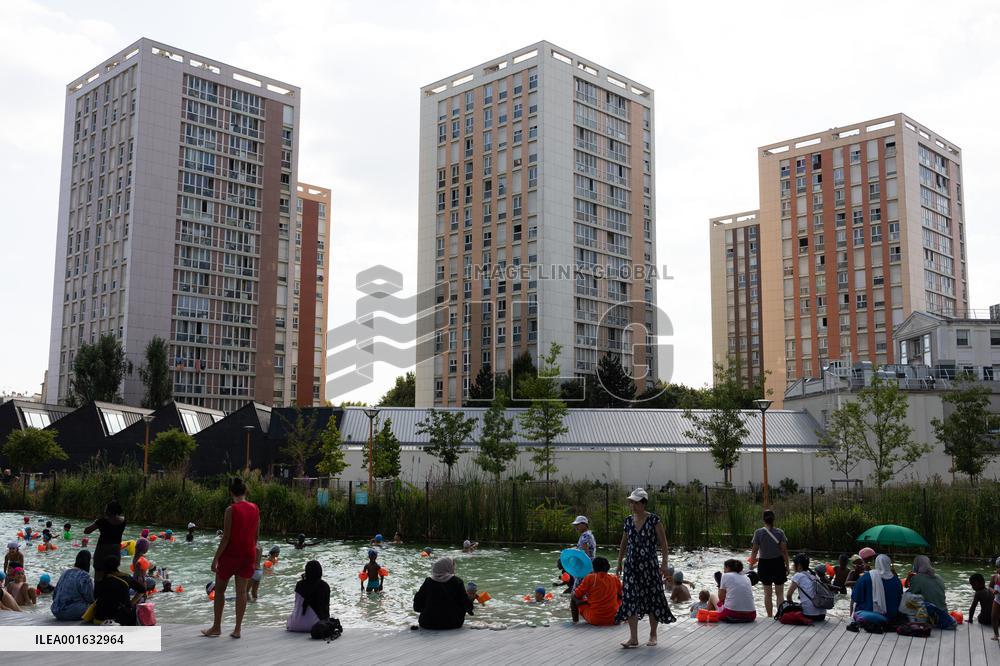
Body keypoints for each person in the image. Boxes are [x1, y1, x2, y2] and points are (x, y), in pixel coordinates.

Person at [615, 488, 675, 648]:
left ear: (643, 503)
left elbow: (664, 544)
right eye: (631, 502)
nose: (632, 505)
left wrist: (664, 563)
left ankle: (653, 634)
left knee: (652, 597)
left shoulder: (654, 520)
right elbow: (623, 543)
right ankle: (633, 637)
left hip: (649, 565)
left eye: (635, 502)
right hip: (631, 566)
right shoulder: (628, 521)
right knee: (630, 598)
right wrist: (620, 561)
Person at [202, 477, 260, 639]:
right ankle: (237, 629)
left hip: (230, 555)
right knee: (241, 592)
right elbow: (256, 536)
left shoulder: (231, 510)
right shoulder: (255, 508)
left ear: (231, 493)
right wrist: (253, 557)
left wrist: (215, 559)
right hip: (248, 554)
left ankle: (216, 627)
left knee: (219, 591)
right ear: (246, 492)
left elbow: (226, 537)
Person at [748, 509, 790, 618]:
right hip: (778, 563)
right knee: (780, 593)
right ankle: (780, 615)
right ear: (774, 519)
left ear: (763, 520)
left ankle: (770, 616)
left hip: (764, 564)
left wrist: (751, 564)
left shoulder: (758, 532)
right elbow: (784, 551)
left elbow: (754, 551)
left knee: (767, 594)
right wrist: (787, 566)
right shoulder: (780, 532)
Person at [413, 557, 473, 630]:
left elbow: (417, 606)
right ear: (448, 567)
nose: (454, 568)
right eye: (453, 566)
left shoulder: (428, 581)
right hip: (453, 623)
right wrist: (471, 596)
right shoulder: (457, 581)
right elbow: (466, 604)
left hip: (428, 623)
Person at [851, 553, 903, 622]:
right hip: (892, 617)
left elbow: (855, 597)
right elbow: (900, 599)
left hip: (869, 615)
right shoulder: (896, 580)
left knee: (857, 612)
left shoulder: (867, 577)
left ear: (876, 563)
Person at [571, 556, 621, 626]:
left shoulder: (590, 578)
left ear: (593, 567)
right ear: (608, 567)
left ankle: (575, 622)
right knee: (620, 596)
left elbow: (577, 595)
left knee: (573, 595)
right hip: (614, 618)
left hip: (596, 619)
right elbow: (623, 595)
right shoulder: (614, 578)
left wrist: (579, 601)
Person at [93, 556, 142, 625]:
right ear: (118, 565)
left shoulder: (99, 580)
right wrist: (131, 603)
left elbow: (95, 597)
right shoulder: (126, 577)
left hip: (100, 618)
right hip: (121, 618)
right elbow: (142, 590)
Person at [83, 501, 126, 577]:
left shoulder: (102, 521)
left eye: (106, 508)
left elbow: (86, 531)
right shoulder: (123, 521)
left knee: (99, 574)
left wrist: (96, 522)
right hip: (116, 551)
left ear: (109, 511)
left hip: (102, 550)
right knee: (113, 574)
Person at [286, 560, 330, 632]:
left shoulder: (299, 585)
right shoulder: (324, 586)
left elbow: (297, 605)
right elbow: (325, 610)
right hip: (315, 626)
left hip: (294, 625)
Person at [786, 553, 826, 622]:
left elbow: (789, 595)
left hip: (809, 614)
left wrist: (792, 607)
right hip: (822, 615)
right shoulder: (813, 576)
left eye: (793, 564)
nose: (792, 566)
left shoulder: (798, 576)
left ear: (799, 565)